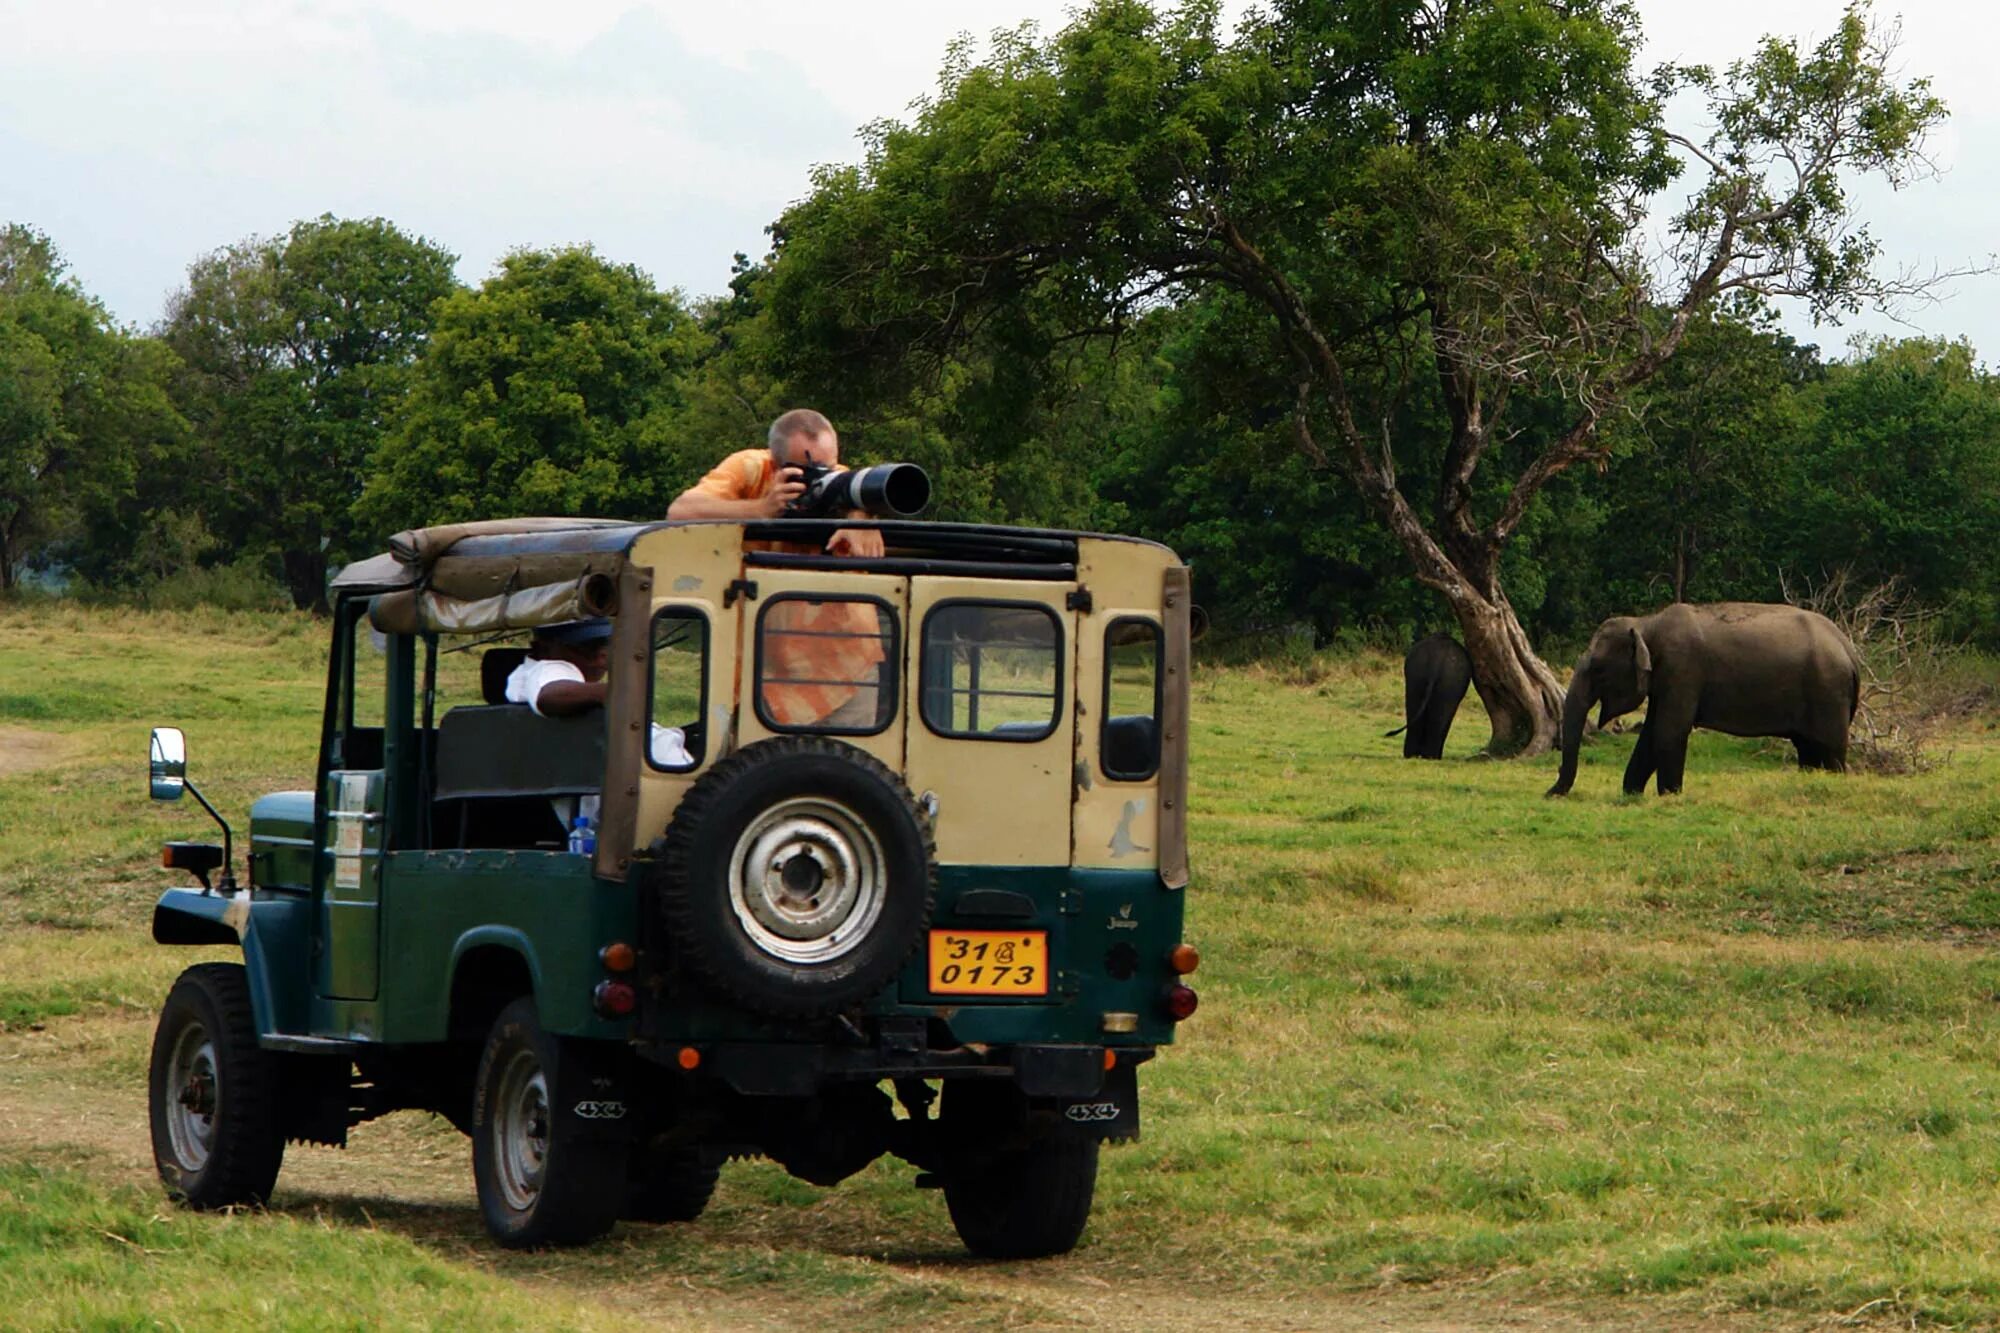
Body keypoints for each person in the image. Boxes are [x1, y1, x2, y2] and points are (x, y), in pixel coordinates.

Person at [667, 410, 890, 730]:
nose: (819, 477)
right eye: (804, 470)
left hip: (845, 667)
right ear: (776, 461)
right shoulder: (750, 468)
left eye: (827, 467)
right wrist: (759, 509)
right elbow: (680, 512)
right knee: (761, 770)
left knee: (845, 771)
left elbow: (866, 490)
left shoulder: (844, 484)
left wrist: (861, 518)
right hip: (766, 667)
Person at [507, 617, 691, 767]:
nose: (601, 654)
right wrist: (611, 692)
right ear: (542, 649)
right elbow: (549, 695)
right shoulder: (546, 668)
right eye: (587, 646)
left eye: (604, 643)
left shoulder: (528, 677)